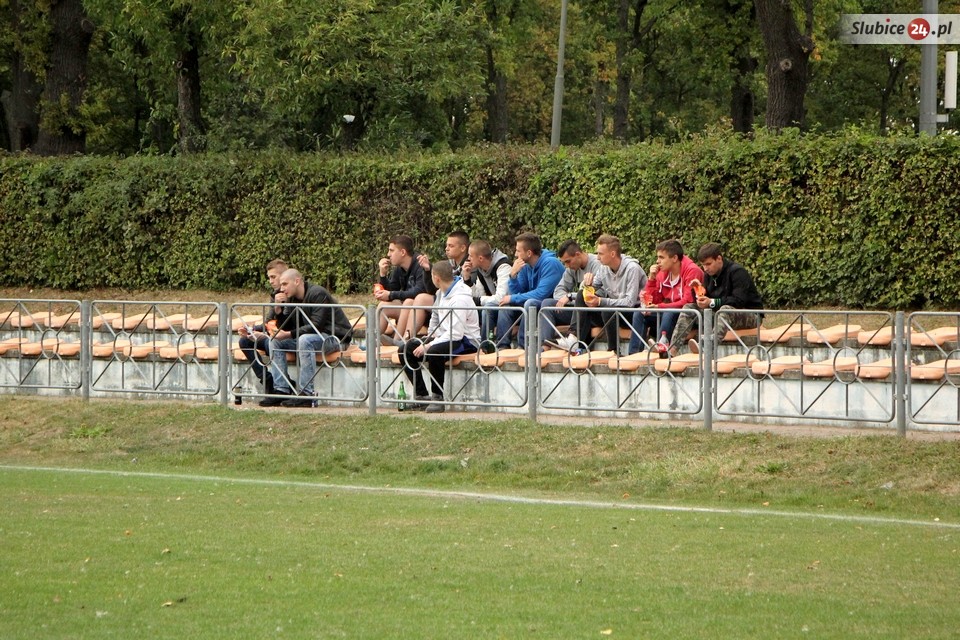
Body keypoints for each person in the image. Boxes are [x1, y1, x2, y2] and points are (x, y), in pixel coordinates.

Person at [261, 269, 353, 408]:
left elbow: (316, 325)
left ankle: (307, 394)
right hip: (312, 337)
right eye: (281, 285)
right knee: (275, 341)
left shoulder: (318, 293)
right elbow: (288, 326)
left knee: (304, 340)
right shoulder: (291, 298)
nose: (282, 288)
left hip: (336, 338)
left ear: (297, 281)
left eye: (285, 284)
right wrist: (278, 310)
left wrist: (288, 334)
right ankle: (281, 390)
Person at [400, 260, 480, 413]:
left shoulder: (460, 298)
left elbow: (456, 334)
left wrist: (429, 345)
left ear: (436, 278)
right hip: (445, 336)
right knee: (406, 349)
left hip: (466, 340)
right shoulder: (440, 293)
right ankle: (422, 396)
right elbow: (435, 318)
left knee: (434, 351)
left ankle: (438, 397)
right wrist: (429, 337)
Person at [673, 242, 764, 355]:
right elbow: (705, 299)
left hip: (751, 314)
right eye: (703, 265)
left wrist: (712, 302)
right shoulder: (708, 275)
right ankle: (672, 349)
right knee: (689, 308)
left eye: (708, 264)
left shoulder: (737, 272)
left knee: (725, 310)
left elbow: (738, 301)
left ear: (719, 259)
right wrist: (697, 291)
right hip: (719, 314)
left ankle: (706, 348)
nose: (705, 268)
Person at [628, 239, 703, 354]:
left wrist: (660, 307)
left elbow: (688, 301)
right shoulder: (662, 272)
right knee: (639, 313)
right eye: (658, 257)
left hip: (689, 316)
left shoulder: (692, 271)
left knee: (669, 312)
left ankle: (662, 350)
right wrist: (651, 280)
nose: (657, 261)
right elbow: (654, 300)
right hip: (669, 314)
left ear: (674, 258)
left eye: (661, 257)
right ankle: (634, 354)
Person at [577, 235, 647, 353]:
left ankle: (613, 351)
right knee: (580, 296)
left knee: (607, 309)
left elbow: (629, 302)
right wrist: (586, 284)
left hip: (634, 313)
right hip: (614, 313)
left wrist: (601, 301)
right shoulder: (604, 268)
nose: (597, 257)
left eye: (600, 254)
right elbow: (592, 287)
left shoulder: (632, 268)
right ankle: (580, 346)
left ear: (613, 254)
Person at [495, 232, 564, 348]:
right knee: (506, 306)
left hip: (551, 308)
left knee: (529, 303)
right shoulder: (525, 265)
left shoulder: (550, 263)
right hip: (533, 305)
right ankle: (502, 347)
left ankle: (524, 347)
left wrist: (512, 298)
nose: (515, 254)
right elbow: (518, 292)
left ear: (529, 253)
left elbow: (541, 294)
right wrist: (513, 275)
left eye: (518, 251)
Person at [538, 240, 602, 349]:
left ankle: (573, 342)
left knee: (582, 298)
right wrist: (571, 300)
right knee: (547, 305)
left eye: (568, 261)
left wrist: (571, 297)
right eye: (564, 263)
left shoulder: (597, 264)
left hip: (594, 311)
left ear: (577, 254)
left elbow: (598, 294)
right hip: (577, 310)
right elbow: (558, 290)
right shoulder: (571, 269)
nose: (566, 266)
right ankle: (545, 348)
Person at [237, 259, 288, 394]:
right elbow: (269, 321)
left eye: (273, 277)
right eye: (269, 277)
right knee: (244, 341)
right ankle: (266, 380)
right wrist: (252, 330)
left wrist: (264, 334)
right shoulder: (275, 295)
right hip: (274, 335)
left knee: (272, 342)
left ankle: (284, 385)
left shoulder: (291, 295)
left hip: (286, 338)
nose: (270, 281)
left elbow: (287, 324)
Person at [374, 234, 432, 346]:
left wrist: (391, 294)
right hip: (409, 309)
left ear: (403, 252)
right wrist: (383, 275)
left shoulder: (420, 264)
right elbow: (391, 291)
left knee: (408, 302)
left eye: (391, 250)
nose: (388, 254)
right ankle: (372, 342)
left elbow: (419, 291)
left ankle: (398, 342)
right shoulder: (399, 268)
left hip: (425, 312)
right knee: (383, 306)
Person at [461, 239, 512, 341]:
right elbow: (479, 295)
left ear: (480, 258)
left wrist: (478, 300)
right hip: (494, 306)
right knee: (469, 308)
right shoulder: (481, 270)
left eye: (470, 256)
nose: (468, 259)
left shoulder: (503, 267)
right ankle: (481, 343)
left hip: (511, 305)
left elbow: (501, 298)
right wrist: (467, 279)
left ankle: (492, 345)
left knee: (487, 308)